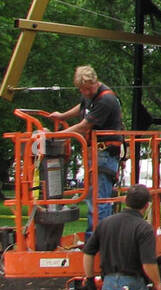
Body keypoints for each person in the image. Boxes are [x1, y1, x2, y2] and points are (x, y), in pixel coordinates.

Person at [49, 65, 125, 239]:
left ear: (95, 82)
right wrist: (62, 116)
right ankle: (96, 237)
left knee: (99, 200)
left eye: (88, 89)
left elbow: (84, 126)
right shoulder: (90, 96)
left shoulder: (106, 100)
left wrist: (53, 136)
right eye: (82, 89)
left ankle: (97, 239)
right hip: (95, 154)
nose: (85, 92)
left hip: (104, 154)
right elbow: (82, 106)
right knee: (93, 198)